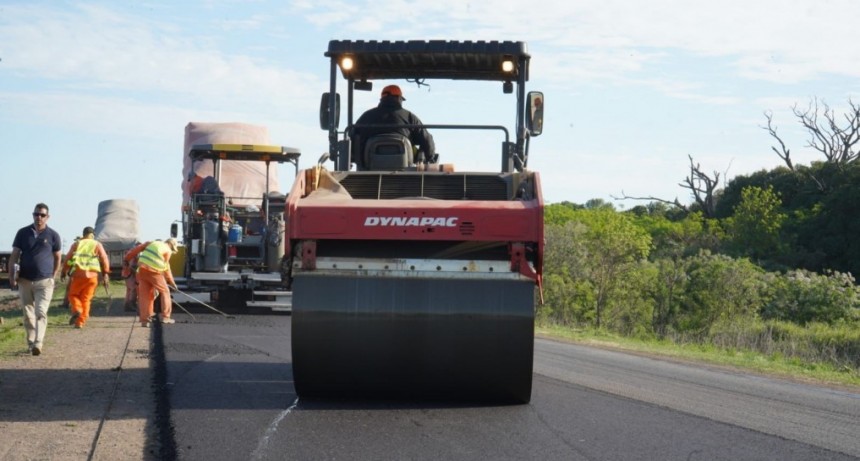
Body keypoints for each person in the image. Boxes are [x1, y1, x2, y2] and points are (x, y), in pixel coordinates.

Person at [8, 203, 62, 356]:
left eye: (42, 215)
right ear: (33, 215)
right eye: (36, 214)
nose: (39, 217)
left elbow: (57, 256)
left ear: (48, 217)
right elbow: (14, 256)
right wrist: (12, 276)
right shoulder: (23, 233)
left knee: (40, 312)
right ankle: (31, 342)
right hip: (24, 280)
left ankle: (38, 342)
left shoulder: (53, 235)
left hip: (44, 281)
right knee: (28, 313)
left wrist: (54, 274)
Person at [353, 84, 436, 168]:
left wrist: (353, 159)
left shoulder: (366, 117)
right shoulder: (409, 117)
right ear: (398, 98)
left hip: (369, 168)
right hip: (406, 168)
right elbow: (427, 140)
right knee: (418, 149)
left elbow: (351, 138)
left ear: (382, 99)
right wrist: (430, 158)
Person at [61, 226, 110, 329]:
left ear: (83, 234)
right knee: (86, 299)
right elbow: (104, 258)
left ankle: (77, 310)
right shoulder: (97, 244)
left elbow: (68, 258)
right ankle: (80, 322)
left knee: (73, 295)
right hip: (92, 277)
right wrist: (105, 273)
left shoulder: (77, 244)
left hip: (78, 275)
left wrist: (64, 271)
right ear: (92, 235)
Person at [123, 238, 178, 327]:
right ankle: (166, 317)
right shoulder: (167, 250)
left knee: (145, 295)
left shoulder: (152, 243)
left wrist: (127, 259)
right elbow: (167, 268)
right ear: (171, 245)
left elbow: (138, 249)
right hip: (154, 272)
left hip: (141, 271)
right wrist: (172, 283)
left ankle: (144, 320)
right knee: (165, 292)